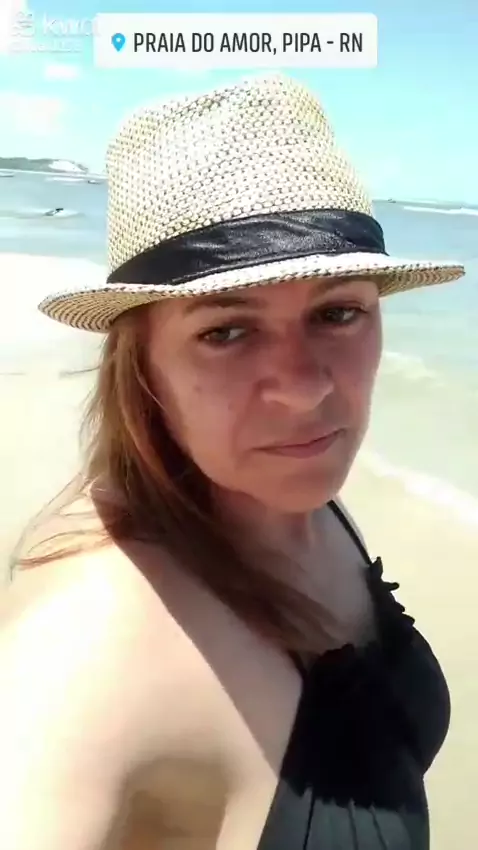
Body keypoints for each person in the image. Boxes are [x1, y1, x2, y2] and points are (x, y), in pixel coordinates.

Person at [1, 73, 465, 850]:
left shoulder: (301, 501)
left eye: (338, 312)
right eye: (226, 332)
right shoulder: (90, 640)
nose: (305, 388)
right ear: (142, 363)